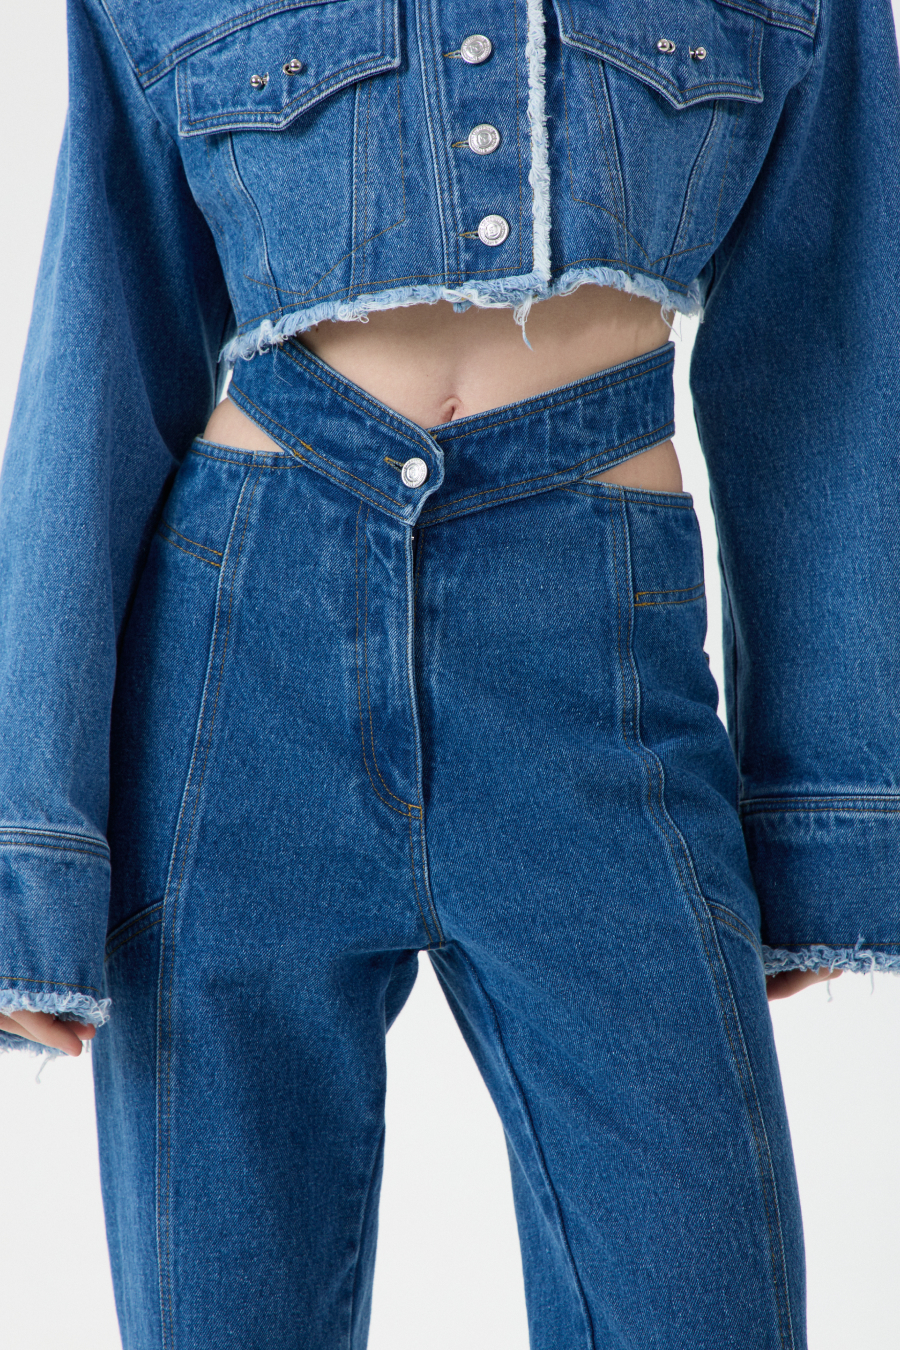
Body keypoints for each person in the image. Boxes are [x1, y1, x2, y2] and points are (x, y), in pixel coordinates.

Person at [0, 0, 897, 1346]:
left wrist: (825, 819)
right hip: (239, 671)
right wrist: (30, 846)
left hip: (596, 663)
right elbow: (99, 347)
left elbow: (828, 354)